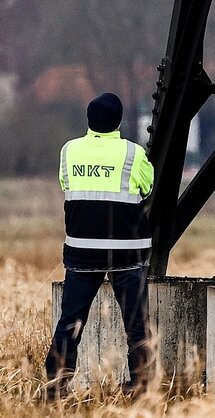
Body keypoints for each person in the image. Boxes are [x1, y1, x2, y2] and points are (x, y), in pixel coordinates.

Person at [46, 93, 155, 399]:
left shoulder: (69, 151)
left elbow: (66, 184)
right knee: (136, 325)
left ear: (89, 119)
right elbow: (147, 187)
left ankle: (56, 388)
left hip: (81, 251)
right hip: (127, 252)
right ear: (119, 121)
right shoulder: (132, 154)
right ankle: (140, 388)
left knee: (70, 322)